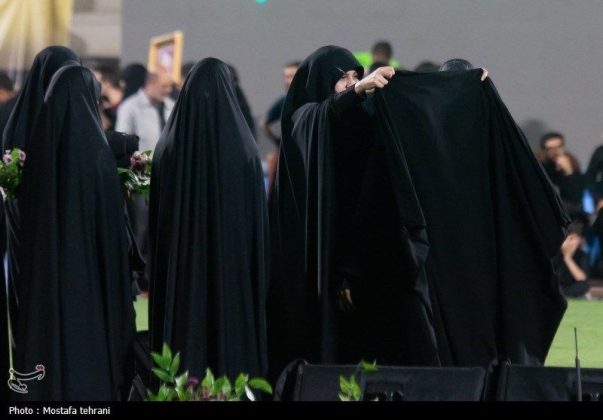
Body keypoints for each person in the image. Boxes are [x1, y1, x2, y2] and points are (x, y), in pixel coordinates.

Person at [268, 46, 440, 380]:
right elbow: (319, 118)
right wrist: (360, 88)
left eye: (354, 76)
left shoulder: (363, 118)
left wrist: (462, 82)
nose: (350, 83)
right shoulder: (303, 118)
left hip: (363, 253)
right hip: (321, 258)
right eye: (342, 78)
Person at [12, 62, 135, 400]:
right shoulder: (98, 158)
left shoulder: (38, 157)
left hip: (46, 281)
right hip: (90, 285)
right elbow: (110, 236)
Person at [149, 58, 269, 381]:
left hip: (182, 268)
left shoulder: (167, 149)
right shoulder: (244, 151)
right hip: (233, 270)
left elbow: (158, 224)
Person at [538, 132, 585, 214]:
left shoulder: (572, 163)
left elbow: (577, 195)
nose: (555, 152)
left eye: (558, 147)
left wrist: (569, 171)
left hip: (571, 213)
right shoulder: (539, 166)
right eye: (550, 148)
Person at [261, 61, 300, 146]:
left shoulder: (314, 99)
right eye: (286, 77)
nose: (288, 81)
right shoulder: (283, 101)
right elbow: (264, 123)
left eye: (291, 76)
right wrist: (278, 143)